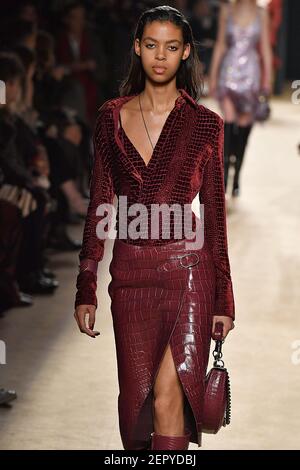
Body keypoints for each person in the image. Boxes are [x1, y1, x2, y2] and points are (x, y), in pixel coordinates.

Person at [73, 5, 235, 451]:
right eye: (150, 45)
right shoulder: (110, 117)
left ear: (185, 53)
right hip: (130, 276)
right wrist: (86, 283)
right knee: (134, 410)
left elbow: (215, 218)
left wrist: (223, 296)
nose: (159, 56)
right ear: (136, 49)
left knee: (169, 396)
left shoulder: (206, 125)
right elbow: (100, 203)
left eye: (170, 46)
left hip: (188, 271)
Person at [209, 0, 272, 196]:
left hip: (251, 75)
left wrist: (267, 80)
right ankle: (225, 176)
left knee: (244, 128)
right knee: (228, 123)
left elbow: (266, 48)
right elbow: (220, 44)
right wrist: (212, 75)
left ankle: (237, 176)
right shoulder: (226, 10)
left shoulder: (262, 13)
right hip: (228, 72)